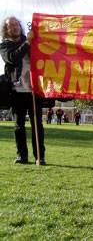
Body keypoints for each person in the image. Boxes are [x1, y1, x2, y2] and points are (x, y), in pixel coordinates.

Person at [0, 16, 46, 165]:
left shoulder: (32, 41)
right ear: (6, 31)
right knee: (19, 125)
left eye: (16, 24)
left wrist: (34, 40)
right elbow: (13, 58)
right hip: (16, 91)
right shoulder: (5, 46)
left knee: (37, 125)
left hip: (34, 90)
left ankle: (40, 156)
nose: (14, 27)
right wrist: (28, 42)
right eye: (10, 26)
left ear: (20, 26)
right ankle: (22, 156)